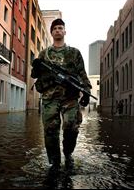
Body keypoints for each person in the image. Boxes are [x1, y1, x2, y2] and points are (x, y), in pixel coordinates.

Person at [31, 18, 92, 173]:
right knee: (50, 131)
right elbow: (36, 75)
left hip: (70, 98)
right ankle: (54, 162)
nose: (58, 30)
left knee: (71, 127)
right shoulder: (44, 54)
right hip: (49, 98)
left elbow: (82, 74)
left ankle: (68, 154)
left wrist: (86, 91)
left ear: (65, 31)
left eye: (60, 28)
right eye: (55, 28)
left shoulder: (74, 53)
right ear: (51, 33)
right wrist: (36, 67)